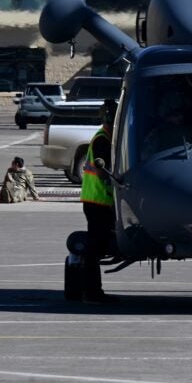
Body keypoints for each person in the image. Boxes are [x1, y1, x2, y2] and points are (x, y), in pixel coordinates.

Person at [77, 99, 118, 304]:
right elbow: (104, 172)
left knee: (98, 245)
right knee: (95, 247)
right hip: (98, 201)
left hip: (101, 201)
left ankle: (92, 291)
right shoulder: (103, 140)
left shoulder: (107, 137)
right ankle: (91, 292)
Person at [141, 92, 188, 161]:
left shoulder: (187, 131)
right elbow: (145, 158)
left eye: (181, 113)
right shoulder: (154, 135)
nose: (181, 117)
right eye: (176, 114)